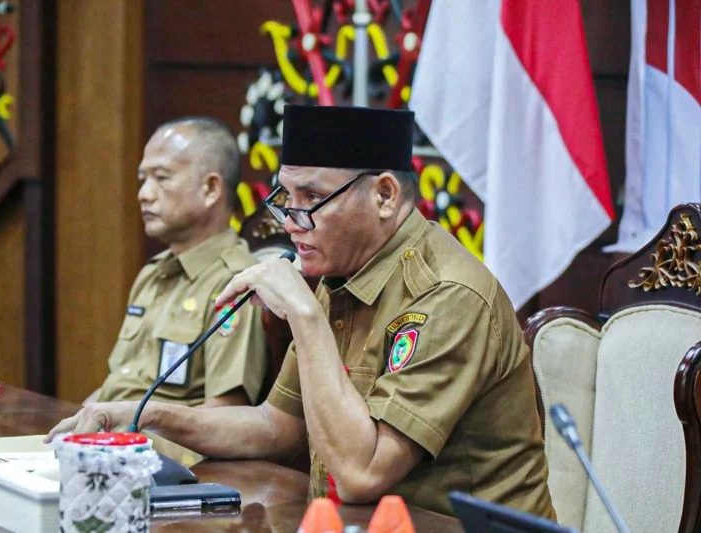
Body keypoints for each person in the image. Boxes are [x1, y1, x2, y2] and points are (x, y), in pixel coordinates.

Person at [48, 105, 555, 519]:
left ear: (384, 195)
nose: (292, 222)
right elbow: (277, 426)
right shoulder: (345, 268)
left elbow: (363, 474)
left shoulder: (447, 295)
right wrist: (149, 416)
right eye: (285, 197)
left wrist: (305, 318)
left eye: (311, 197)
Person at [85, 117, 267, 409]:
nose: (144, 194)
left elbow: (227, 411)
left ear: (210, 189)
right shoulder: (153, 274)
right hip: (115, 432)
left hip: (159, 438)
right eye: (143, 180)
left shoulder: (235, 283)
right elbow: (116, 387)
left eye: (161, 178)